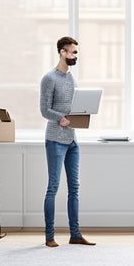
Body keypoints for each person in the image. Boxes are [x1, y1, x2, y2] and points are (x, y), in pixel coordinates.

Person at [39, 36, 96, 248]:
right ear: (62, 52)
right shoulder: (49, 78)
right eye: (72, 52)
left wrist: (83, 114)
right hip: (55, 138)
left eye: (75, 53)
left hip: (72, 139)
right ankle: (49, 236)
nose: (74, 56)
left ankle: (75, 234)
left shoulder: (71, 79)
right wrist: (59, 118)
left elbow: (72, 107)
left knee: (74, 188)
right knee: (53, 187)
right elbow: (44, 109)